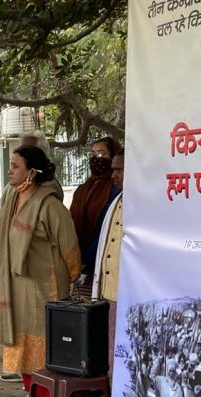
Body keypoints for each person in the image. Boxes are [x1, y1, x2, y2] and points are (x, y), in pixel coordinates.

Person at [0, 146, 81, 397]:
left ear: (32, 172)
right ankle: (33, 392)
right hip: (17, 288)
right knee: (23, 342)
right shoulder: (12, 201)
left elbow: (69, 248)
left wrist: (70, 279)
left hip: (44, 290)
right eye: (11, 165)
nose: (10, 170)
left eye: (16, 166)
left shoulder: (50, 205)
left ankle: (49, 396)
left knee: (44, 344)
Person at [70, 136, 122, 292]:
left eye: (101, 154)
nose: (95, 159)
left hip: (100, 263)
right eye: (92, 154)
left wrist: (86, 261)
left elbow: (104, 229)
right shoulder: (84, 188)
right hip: (78, 265)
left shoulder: (116, 189)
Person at [91, 149, 125, 374]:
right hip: (109, 293)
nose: (114, 174)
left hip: (128, 294)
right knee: (111, 351)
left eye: (120, 169)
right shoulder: (117, 200)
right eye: (113, 169)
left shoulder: (147, 205)